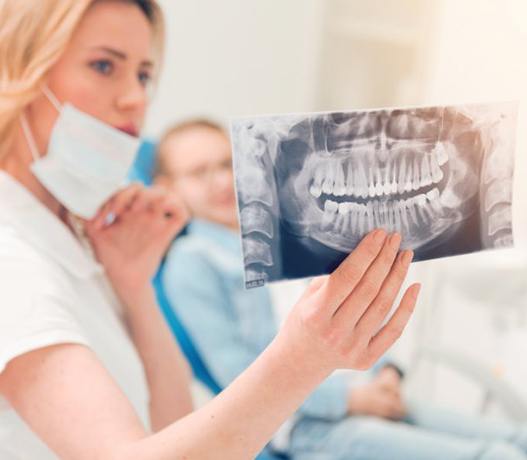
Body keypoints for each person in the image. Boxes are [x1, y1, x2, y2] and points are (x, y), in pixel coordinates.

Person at [0, 1, 421, 458]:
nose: (136, 99)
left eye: (143, 75)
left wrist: (134, 287)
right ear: (17, 70)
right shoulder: (11, 256)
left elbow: (172, 421)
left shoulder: (80, 242)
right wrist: (302, 359)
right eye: (104, 66)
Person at [158, 119, 527, 460]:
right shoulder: (193, 261)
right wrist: (350, 401)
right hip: (307, 421)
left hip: (369, 389)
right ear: (168, 186)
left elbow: (368, 305)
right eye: (198, 172)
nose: (221, 181)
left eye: (228, 164)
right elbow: (237, 375)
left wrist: (388, 373)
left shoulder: (294, 231)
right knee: (501, 457)